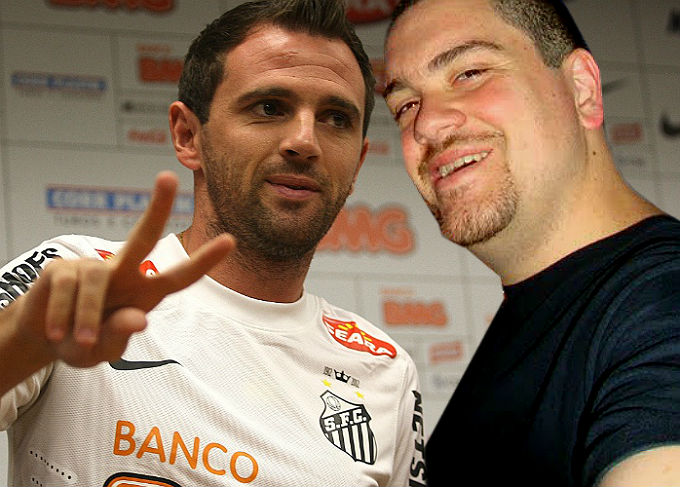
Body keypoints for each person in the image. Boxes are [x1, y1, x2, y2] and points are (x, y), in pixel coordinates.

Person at [0, 1, 426, 486]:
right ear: (188, 135)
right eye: (270, 108)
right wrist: (22, 343)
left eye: (335, 118)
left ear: (359, 161)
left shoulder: (385, 369)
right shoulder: (78, 279)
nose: (305, 141)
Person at [383, 0, 680, 485]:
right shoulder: (538, 315)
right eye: (406, 105)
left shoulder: (663, 301)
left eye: (470, 73)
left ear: (582, 89)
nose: (427, 124)